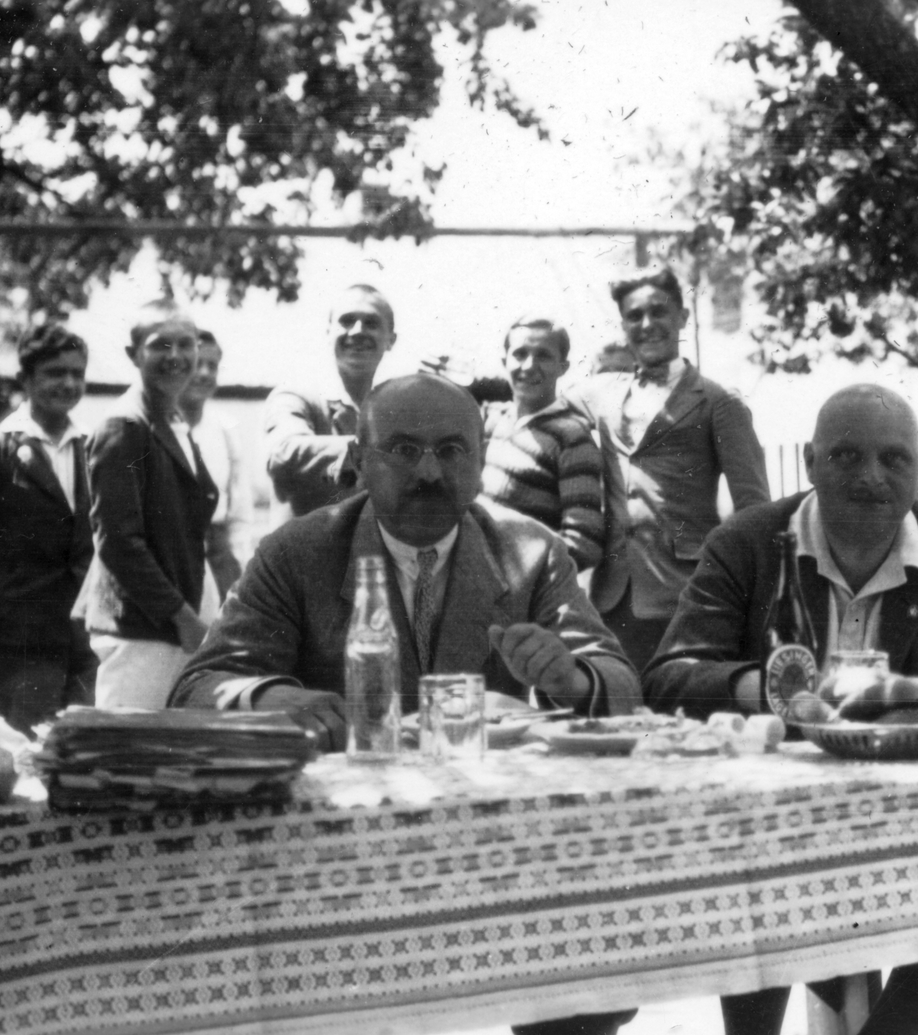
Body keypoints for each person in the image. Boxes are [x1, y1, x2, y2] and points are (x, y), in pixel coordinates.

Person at [172, 374, 641, 1035]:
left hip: (497, 859)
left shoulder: (531, 549)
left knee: (588, 981)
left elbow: (619, 681)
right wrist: (273, 695)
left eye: (452, 450)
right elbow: (199, 685)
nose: (429, 471)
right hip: (336, 871)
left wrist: (571, 679)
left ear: (481, 464)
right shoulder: (297, 551)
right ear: (359, 461)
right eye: (403, 449)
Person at [646, 384, 918, 1035]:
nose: (872, 477)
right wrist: (773, 687)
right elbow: (667, 678)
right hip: (770, 835)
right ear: (810, 461)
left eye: (894, 459)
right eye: (847, 455)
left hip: (915, 828)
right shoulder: (746, 543)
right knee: (754, 889)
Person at [563, 266, 771, 671]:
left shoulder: (717, 401)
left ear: (682, 318)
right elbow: (543, 408)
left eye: (659, 312)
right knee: (621, 715)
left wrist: (739, 598)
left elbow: (755, 511)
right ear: (623, 325)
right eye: (634, 316)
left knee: (682, 719)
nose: (647, 324)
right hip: (612, 597)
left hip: (687, 597)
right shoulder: (602, 394)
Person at [0, 325, 96, 734]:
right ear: (26, 380)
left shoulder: (92, 448)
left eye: (76, 374)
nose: (67, 383)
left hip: (86, 638)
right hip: (21, 639)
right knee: (34, 757)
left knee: (86, 753)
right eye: (54, 373)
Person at [81, 300, 219, 710]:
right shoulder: (124, 426)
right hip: (144, 630)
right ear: (133, 354)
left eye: (186, 344)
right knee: (129, 755)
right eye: (161, 345)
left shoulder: (174, 421)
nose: (175, 357)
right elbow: (119, 543)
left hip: (176, 628)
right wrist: (182, 618)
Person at [481, 318, 606, 572]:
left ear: (563, 367)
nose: (529, 366)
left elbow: (585, 543)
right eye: (519, 354)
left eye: (543, 356)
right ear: (504, 360)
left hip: (520, 596)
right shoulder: (497, 421)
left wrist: (521, 581)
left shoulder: (572, 437)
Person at [265, 284, 396, 523]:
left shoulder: (392, 412)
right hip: (301, 556)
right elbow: (281, 454)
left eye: (371, 323)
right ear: (328, 332)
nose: (357, 331)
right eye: (346, 321)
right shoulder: (296, 395)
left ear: (391, 340)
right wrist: (370, 452)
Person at [184, 329, 252, 611]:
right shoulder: (154, 429)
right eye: (196, 363)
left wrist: (241, 564)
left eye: (212, 366)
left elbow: (239, 511)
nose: (203, 374)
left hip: (219, 554)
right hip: (176, 555)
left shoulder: (225, 429)